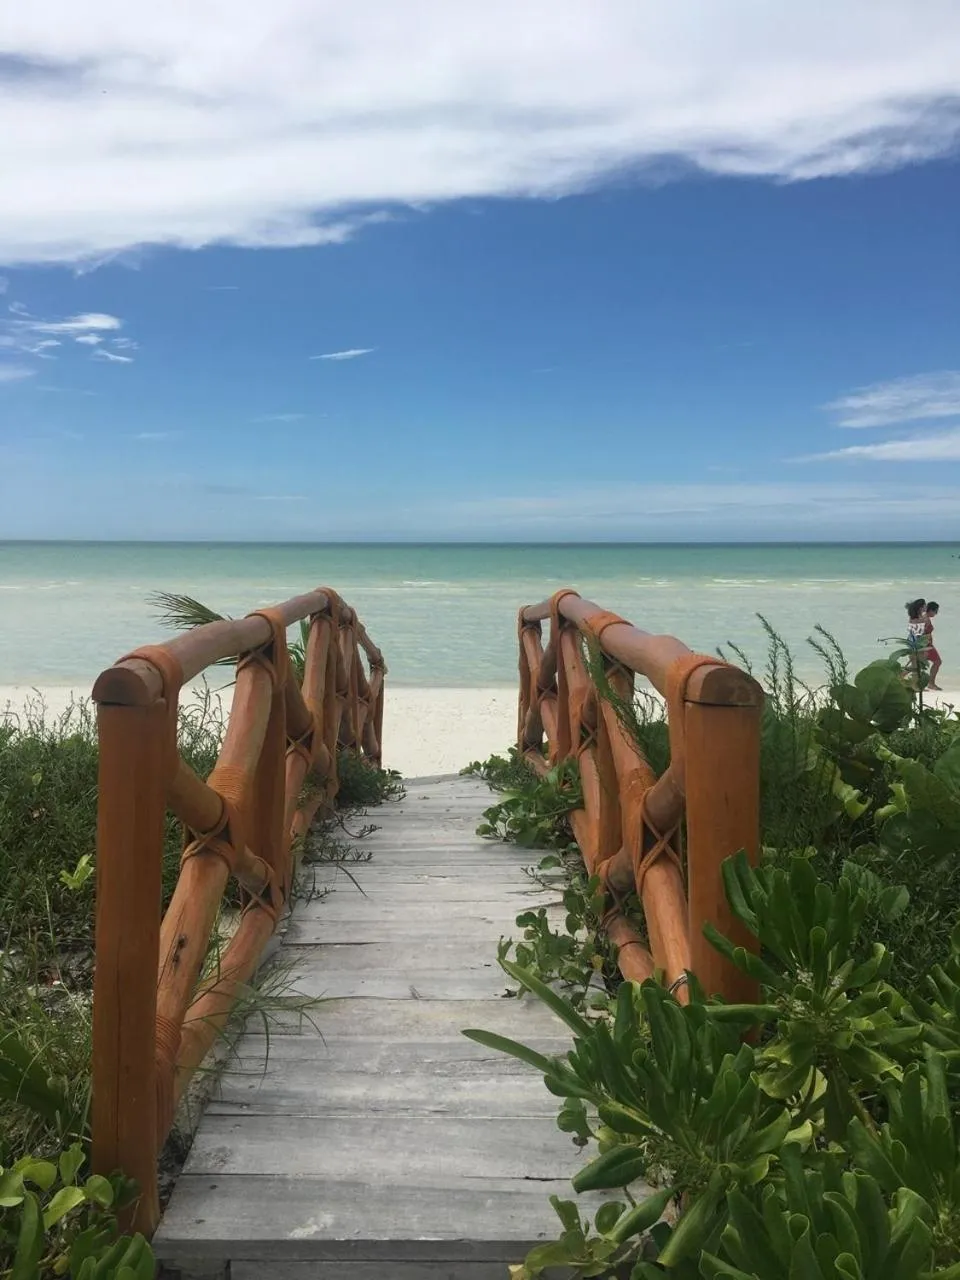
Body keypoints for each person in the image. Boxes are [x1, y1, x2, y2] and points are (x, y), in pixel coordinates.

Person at [925, 601, 942, 690]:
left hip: (927, 645)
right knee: (937, 662)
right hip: (926, 645)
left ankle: (899, 678)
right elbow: (920, 632)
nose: (936, 613)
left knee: (915, 665)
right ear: (931, 610)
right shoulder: (925, 619)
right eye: (935, 611)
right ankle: (931, 683)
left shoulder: (925, 618)